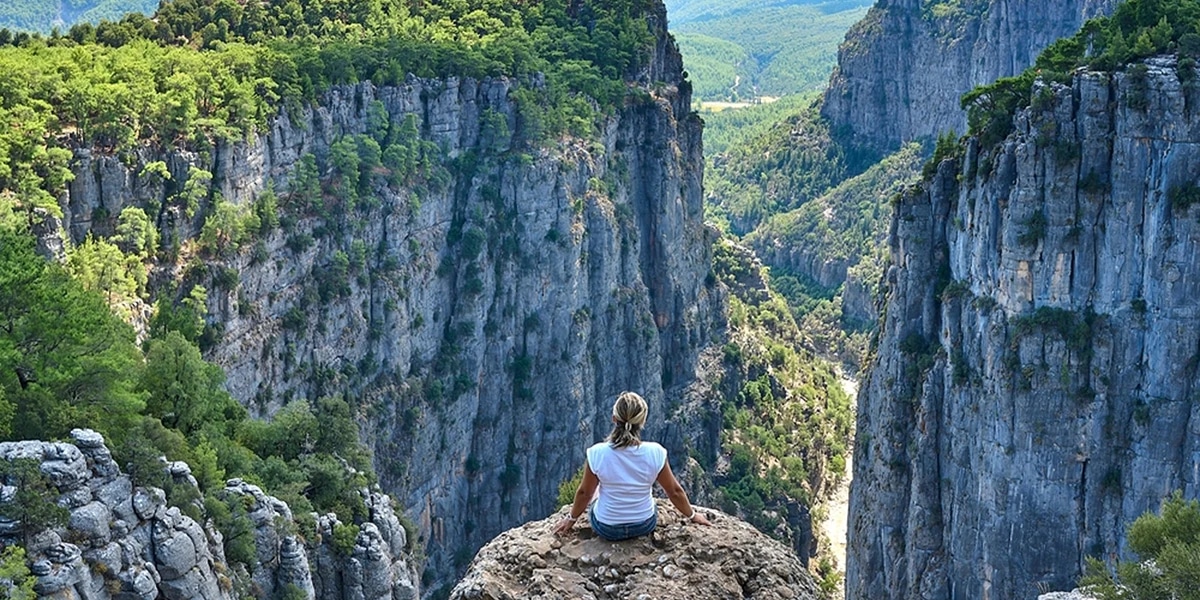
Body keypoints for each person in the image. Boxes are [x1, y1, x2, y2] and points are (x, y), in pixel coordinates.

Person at [553, 391, 711, 540]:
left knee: (595, 493)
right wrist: (692, 515)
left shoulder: (597, 453)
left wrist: (571, 519)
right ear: (642, 421)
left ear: (614, 418)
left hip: (607, 528)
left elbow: (584, 493)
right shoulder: (655, 452)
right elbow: (674, 491)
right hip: (643, 525)